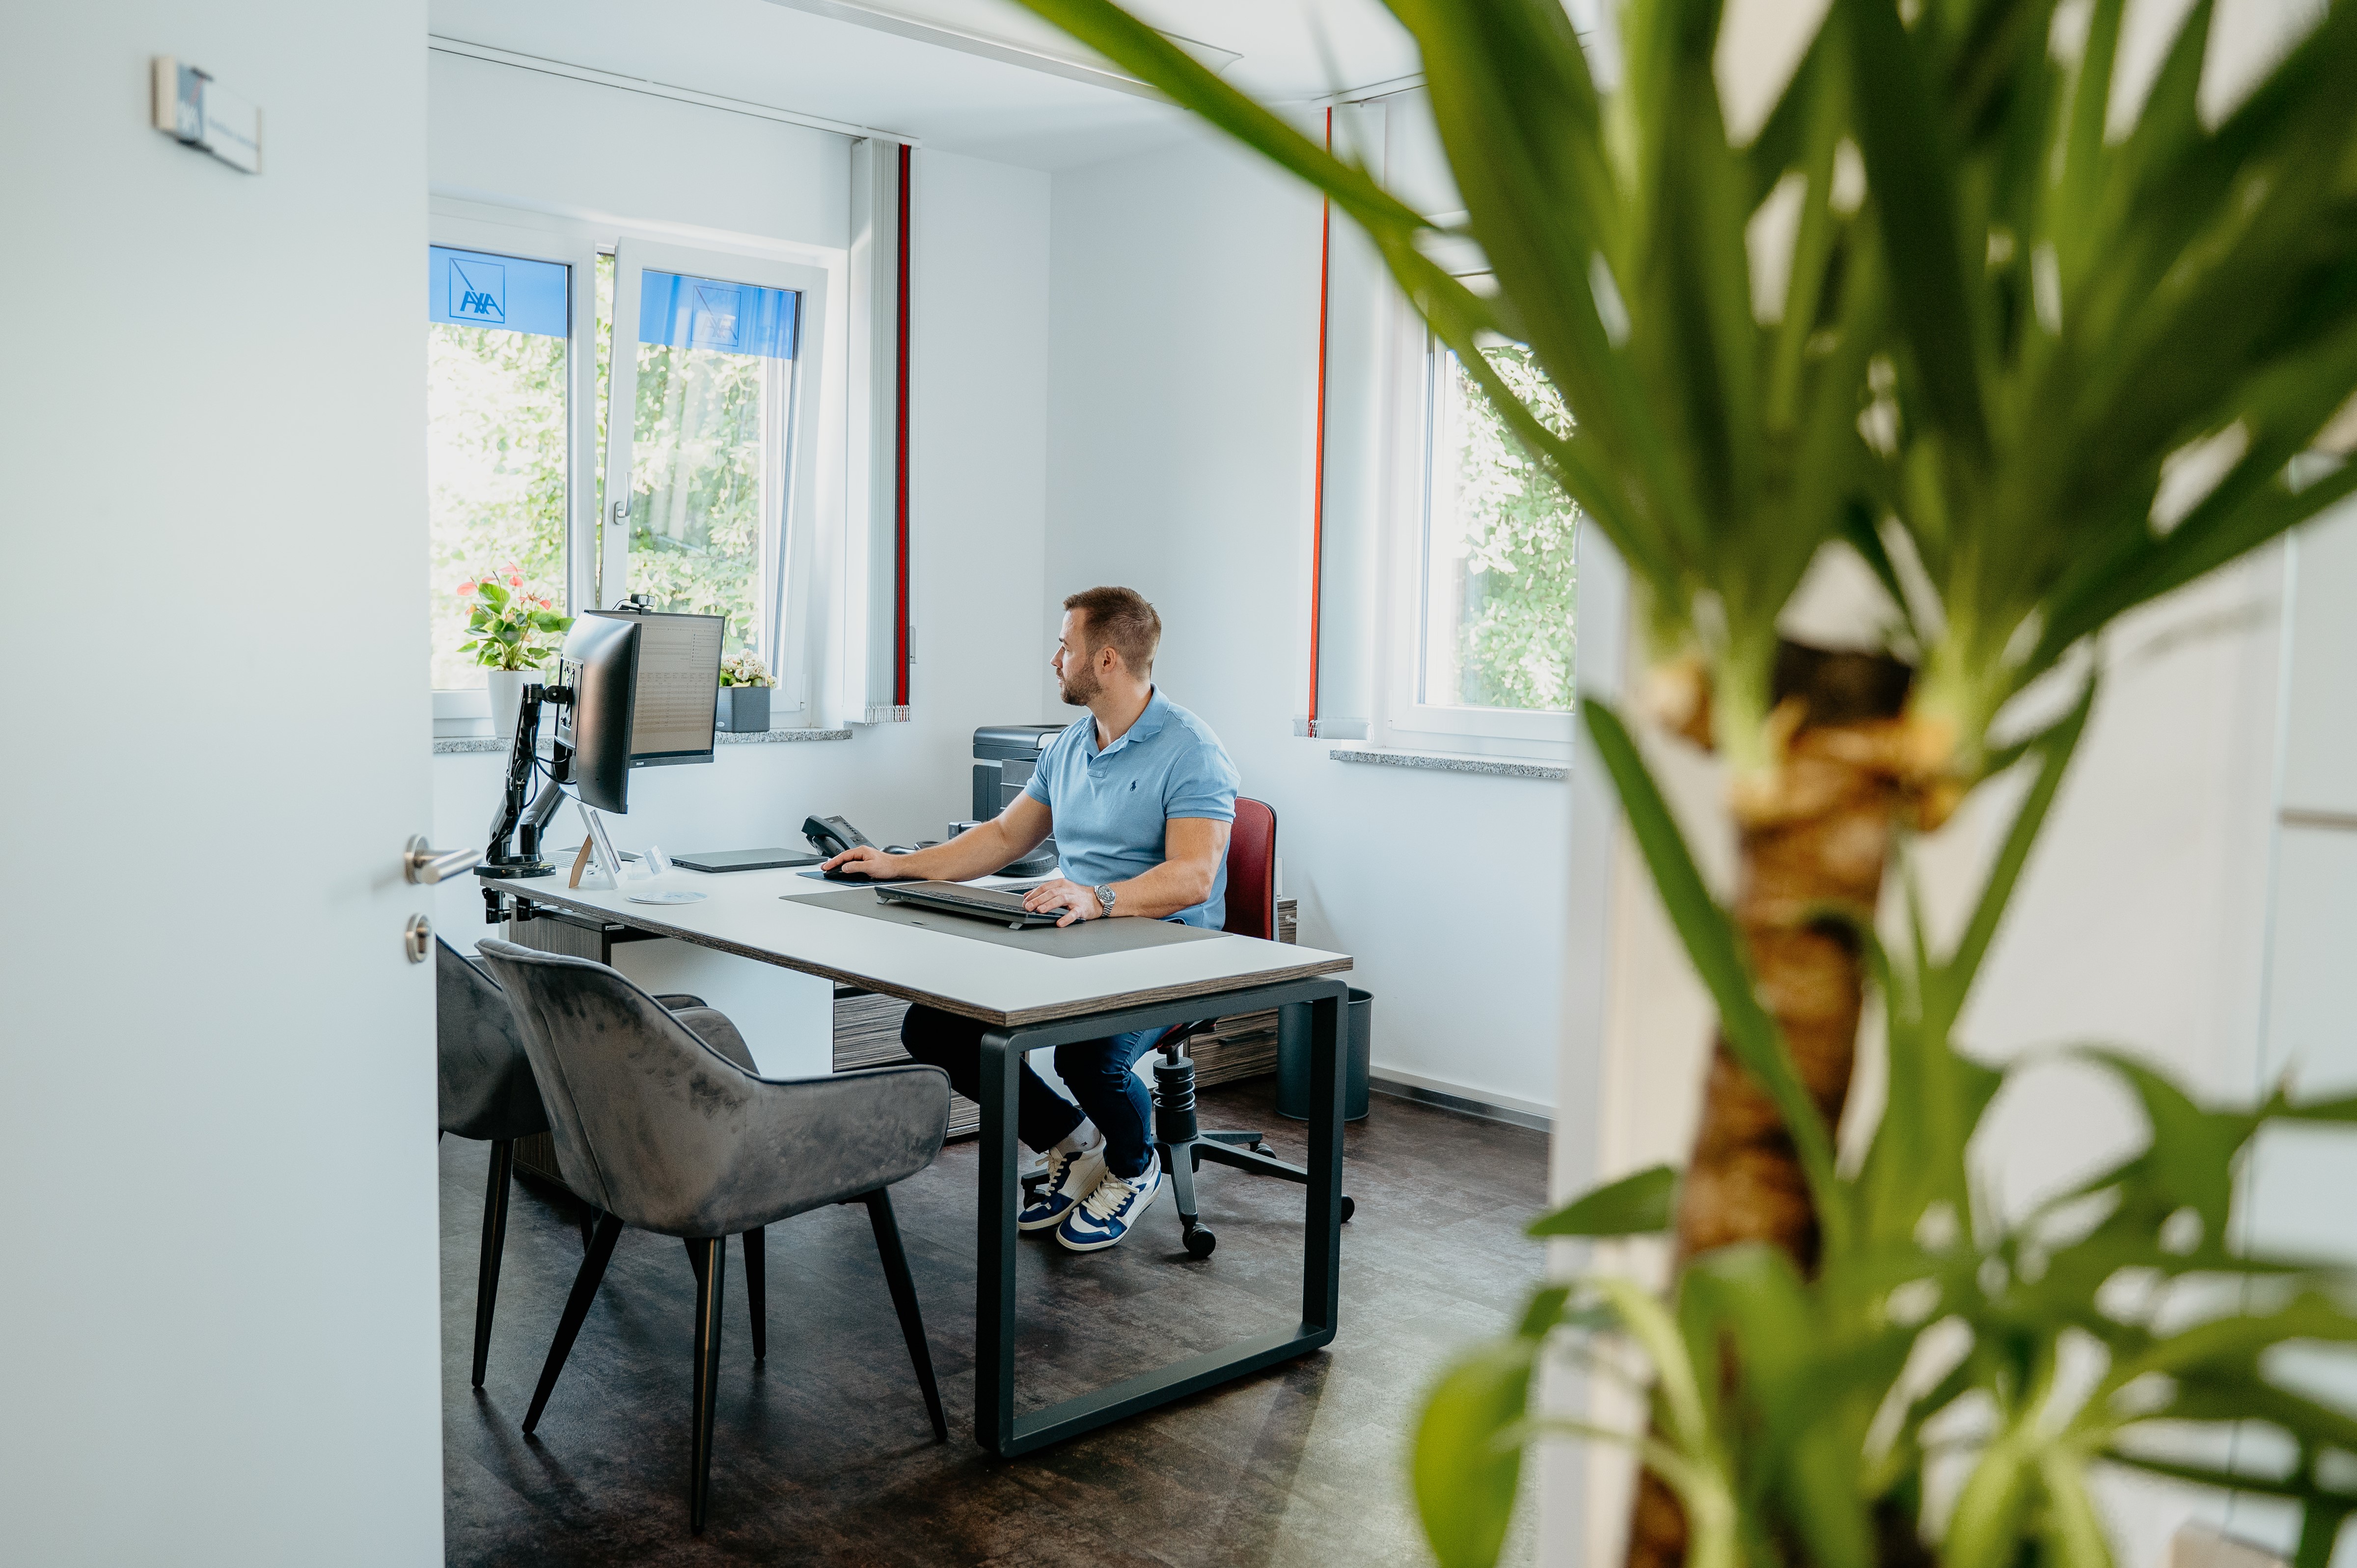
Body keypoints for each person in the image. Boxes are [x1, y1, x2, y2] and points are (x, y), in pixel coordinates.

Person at [820, 586, 1239, 1253]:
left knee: (1089, 1053)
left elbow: (1193, 876)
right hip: (1079, 937)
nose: (1055, 659)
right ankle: (1075, 1143)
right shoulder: (1072, 745)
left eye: (1064, 646)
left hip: (1171, 946)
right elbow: (1002, 836)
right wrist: (898, 865)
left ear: (1104, 660)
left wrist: (1098, 897)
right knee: (936, 1027)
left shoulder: (1193, 750)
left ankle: (1135, 1166)